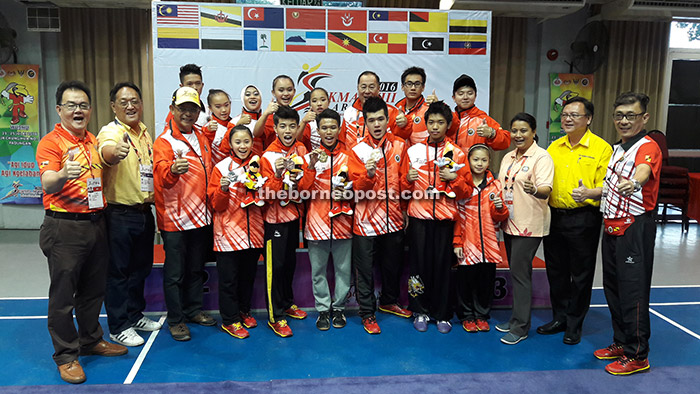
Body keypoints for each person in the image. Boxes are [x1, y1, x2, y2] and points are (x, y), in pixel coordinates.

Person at [37, 81, 127, 384]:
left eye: (84, 105)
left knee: (93, 291)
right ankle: (66, 356)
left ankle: (90, 340)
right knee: (63, 296)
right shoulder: (51, 142)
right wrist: (63, 174)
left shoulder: (92, 140)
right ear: (59, 109)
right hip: (64, 227)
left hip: (95, 222)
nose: (78, 110)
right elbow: (48, 182)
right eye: (71, 105)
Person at [595, 92, 661, 375]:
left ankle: (638, 354)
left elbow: (643, 172)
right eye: (619, 115)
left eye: (630, 116)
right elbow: (611, 187)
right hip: (611, 225)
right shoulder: (617, 149)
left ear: (643, 118)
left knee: (633, 291)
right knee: (613, 287)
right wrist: (591, 192)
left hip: (634, 227)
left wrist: (634, 182)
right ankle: (621, 342)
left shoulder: (648, 146)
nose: (623, 121)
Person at [540, 97, 612, 345]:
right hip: (554, 217)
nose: (567, 119)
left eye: (574, 115)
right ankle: (559, 317)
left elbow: (608, 186)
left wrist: (590, 193)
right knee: (556, 271)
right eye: (565, 114)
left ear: (588, 119)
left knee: (580, 274)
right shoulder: (554, 147)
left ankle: (574, 324)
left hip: (584, 218)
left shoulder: (602, 148)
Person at [97, 82, 162, 348]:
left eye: (134, 100)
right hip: (119, 214)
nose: (130, 106)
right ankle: (118, 326)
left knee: (140, 269)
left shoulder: (145, 133)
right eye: (123, 102)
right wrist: (115, 153)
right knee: (118, 272)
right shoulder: (110, 132)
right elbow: (106, 153)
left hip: (144, 211)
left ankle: (135, 315)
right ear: (113, 106)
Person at [401, 101, 471, 333]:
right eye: (431, 122)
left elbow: (466, 191)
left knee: (442, 268)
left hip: (444, 220)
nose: (435, 126)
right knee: (418, 267)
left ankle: (442, 314)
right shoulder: (413, 151)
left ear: (448, 125)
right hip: (418, 219)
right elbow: (401, 188)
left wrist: (454, 178)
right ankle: (419, 310)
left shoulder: (457, 153)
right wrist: (408, 180)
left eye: (440, 122)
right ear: (426, 123)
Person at [154, 86, 216, 342]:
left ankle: (193, 310)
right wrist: (172, 171)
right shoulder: (164, 141)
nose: (188, 113)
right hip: (176, 220)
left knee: (195, 269)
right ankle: (176, 319)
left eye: (193, 109)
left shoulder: (202, 136)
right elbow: (160, 177)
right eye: (183, 108)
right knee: (175, 273)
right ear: (172, 110)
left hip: (201, 218)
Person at [348, 96, 412, 335]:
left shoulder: (400, 146)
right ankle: (367, 313)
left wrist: (405, 207)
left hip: (393, 218)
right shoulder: (356, 150)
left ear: (388, 120)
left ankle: (389, 300)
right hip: (365, 222)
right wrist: (369, 174)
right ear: (365, 122)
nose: (377, 124)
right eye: (371, 120)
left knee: (392, 265)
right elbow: (355, 188)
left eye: (381, 119)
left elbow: (405, 184)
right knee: (364, 270)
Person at [495, 113, 553, 345]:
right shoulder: (508, 156)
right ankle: (516, 318)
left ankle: (520, 327)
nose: (518, 135)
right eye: (514, 131)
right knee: (516, 272)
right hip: (509, 221)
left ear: (534, 131)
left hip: (528, 224)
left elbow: (546, 189)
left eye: (523, 131)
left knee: (520, 275)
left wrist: (534, 189)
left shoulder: (542, 157)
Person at [260, 105, 318, 337]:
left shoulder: (301, 148)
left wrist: (309, 169)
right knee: (276, 267)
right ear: (274, 128)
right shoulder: (267, 156)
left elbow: (305, 189)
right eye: (282, 126)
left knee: (290, 263)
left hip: (294, 217)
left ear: (297, 128)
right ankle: (275, 316)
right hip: (273, 220)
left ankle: (286, 303)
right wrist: (276, 176)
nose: (287, 130)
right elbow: (265, 194)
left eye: (292, 126)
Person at [208, 125, 265, 339]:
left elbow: (266, 195)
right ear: (230, 144)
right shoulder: (222, 168)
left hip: (254, 234)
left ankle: (244, 311)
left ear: (252, 142)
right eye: (238, 142)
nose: (243, 146)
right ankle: (230, 320)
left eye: (246, 141)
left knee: (247, 277)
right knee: (229, 280)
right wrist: (222, 189)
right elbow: (217, 205)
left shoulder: (259, 164)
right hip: (228, 234)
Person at [304, 109, 354, 330]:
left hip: (344, 224)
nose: (329, 131)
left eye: (333, 127)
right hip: (316, 224)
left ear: (339, 128)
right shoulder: (310, 157)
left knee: (343, 271)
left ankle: (340, 309)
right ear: (318, 130)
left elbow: (359, 190)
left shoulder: (350, 157)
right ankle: (323, 310)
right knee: (318, 272)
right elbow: (302, 192)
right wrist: (311, 168)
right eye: (324, 127)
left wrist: (350, 195)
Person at [453, 144, 509, 333]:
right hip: (467, 243)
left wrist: (500, 208)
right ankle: (467, 315)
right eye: (475, 159)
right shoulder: (462, 185)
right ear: (468, 161)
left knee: (485, 281)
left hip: (489, 243)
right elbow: (456, 216)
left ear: (489, 162)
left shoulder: (496, 185)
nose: (479, 163)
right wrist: (457, 242)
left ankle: (482, 315)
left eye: (483, 160)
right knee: (465, 281)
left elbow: (500, 216)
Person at [342, 71, 411, 149]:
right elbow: (341, 140)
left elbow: (401, 138)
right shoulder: (349, 112)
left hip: (382, 159)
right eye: (363, 87)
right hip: (353, 159)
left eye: (371, 87)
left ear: (378, 89)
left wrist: (404, 126)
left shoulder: (391, 111)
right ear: (358, 88)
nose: (367, 91)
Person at [450, 74, 510, 151]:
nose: (465, 97)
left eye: (470, 93)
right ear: (454, 98)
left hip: (475, 163)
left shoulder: (482, 119)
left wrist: (492, 134)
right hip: (449, 163)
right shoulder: (448, 119)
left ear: (475, 96)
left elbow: (505, 142)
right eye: (461, 94)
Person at [254, 75, 310, 149]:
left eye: (289, 90)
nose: (286, 94)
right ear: (273, 92)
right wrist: (265, 114)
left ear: (294, 91)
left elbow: (296, 139)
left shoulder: (293, 113)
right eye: (281, 90)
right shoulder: (270, 116)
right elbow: (256, 134)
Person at [394, 66, 446, 146]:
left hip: (425, 156)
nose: (413, 88)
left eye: (417, 84)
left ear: (423, 87)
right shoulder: (395, 111)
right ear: (402, 87)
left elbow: (453, 127)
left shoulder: (430, 109)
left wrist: (440, 107)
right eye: (409, 84)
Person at [164, 64, 208, 130]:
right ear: (181, 86)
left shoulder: (209, 109)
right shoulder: (176, 112)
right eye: (189, 84)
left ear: (202, 85)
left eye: (198, 83)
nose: (194, 87)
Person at [231, 84, 264, 156]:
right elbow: (225, 148)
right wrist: (238, 125)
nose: (252, 97)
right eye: (248, 94)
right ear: (242, 99)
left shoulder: (268, 120)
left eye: (256, 94)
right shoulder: (235, 121)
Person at [203, 89, 234, 164]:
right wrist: (208, 132)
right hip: (217, 170)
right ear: (210, 108)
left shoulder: (234, 122)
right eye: (218, 107)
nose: (223, 110)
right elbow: (223, 150)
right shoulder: (208, 128)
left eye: (226, 105)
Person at [299, 87, 333, 152]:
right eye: (314, 101)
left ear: (329, 102)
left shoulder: (334, 120)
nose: (319, 104)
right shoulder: (309, 124)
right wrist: (303, 122)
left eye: (323, 100)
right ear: (310, 104)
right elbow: (297, 141)